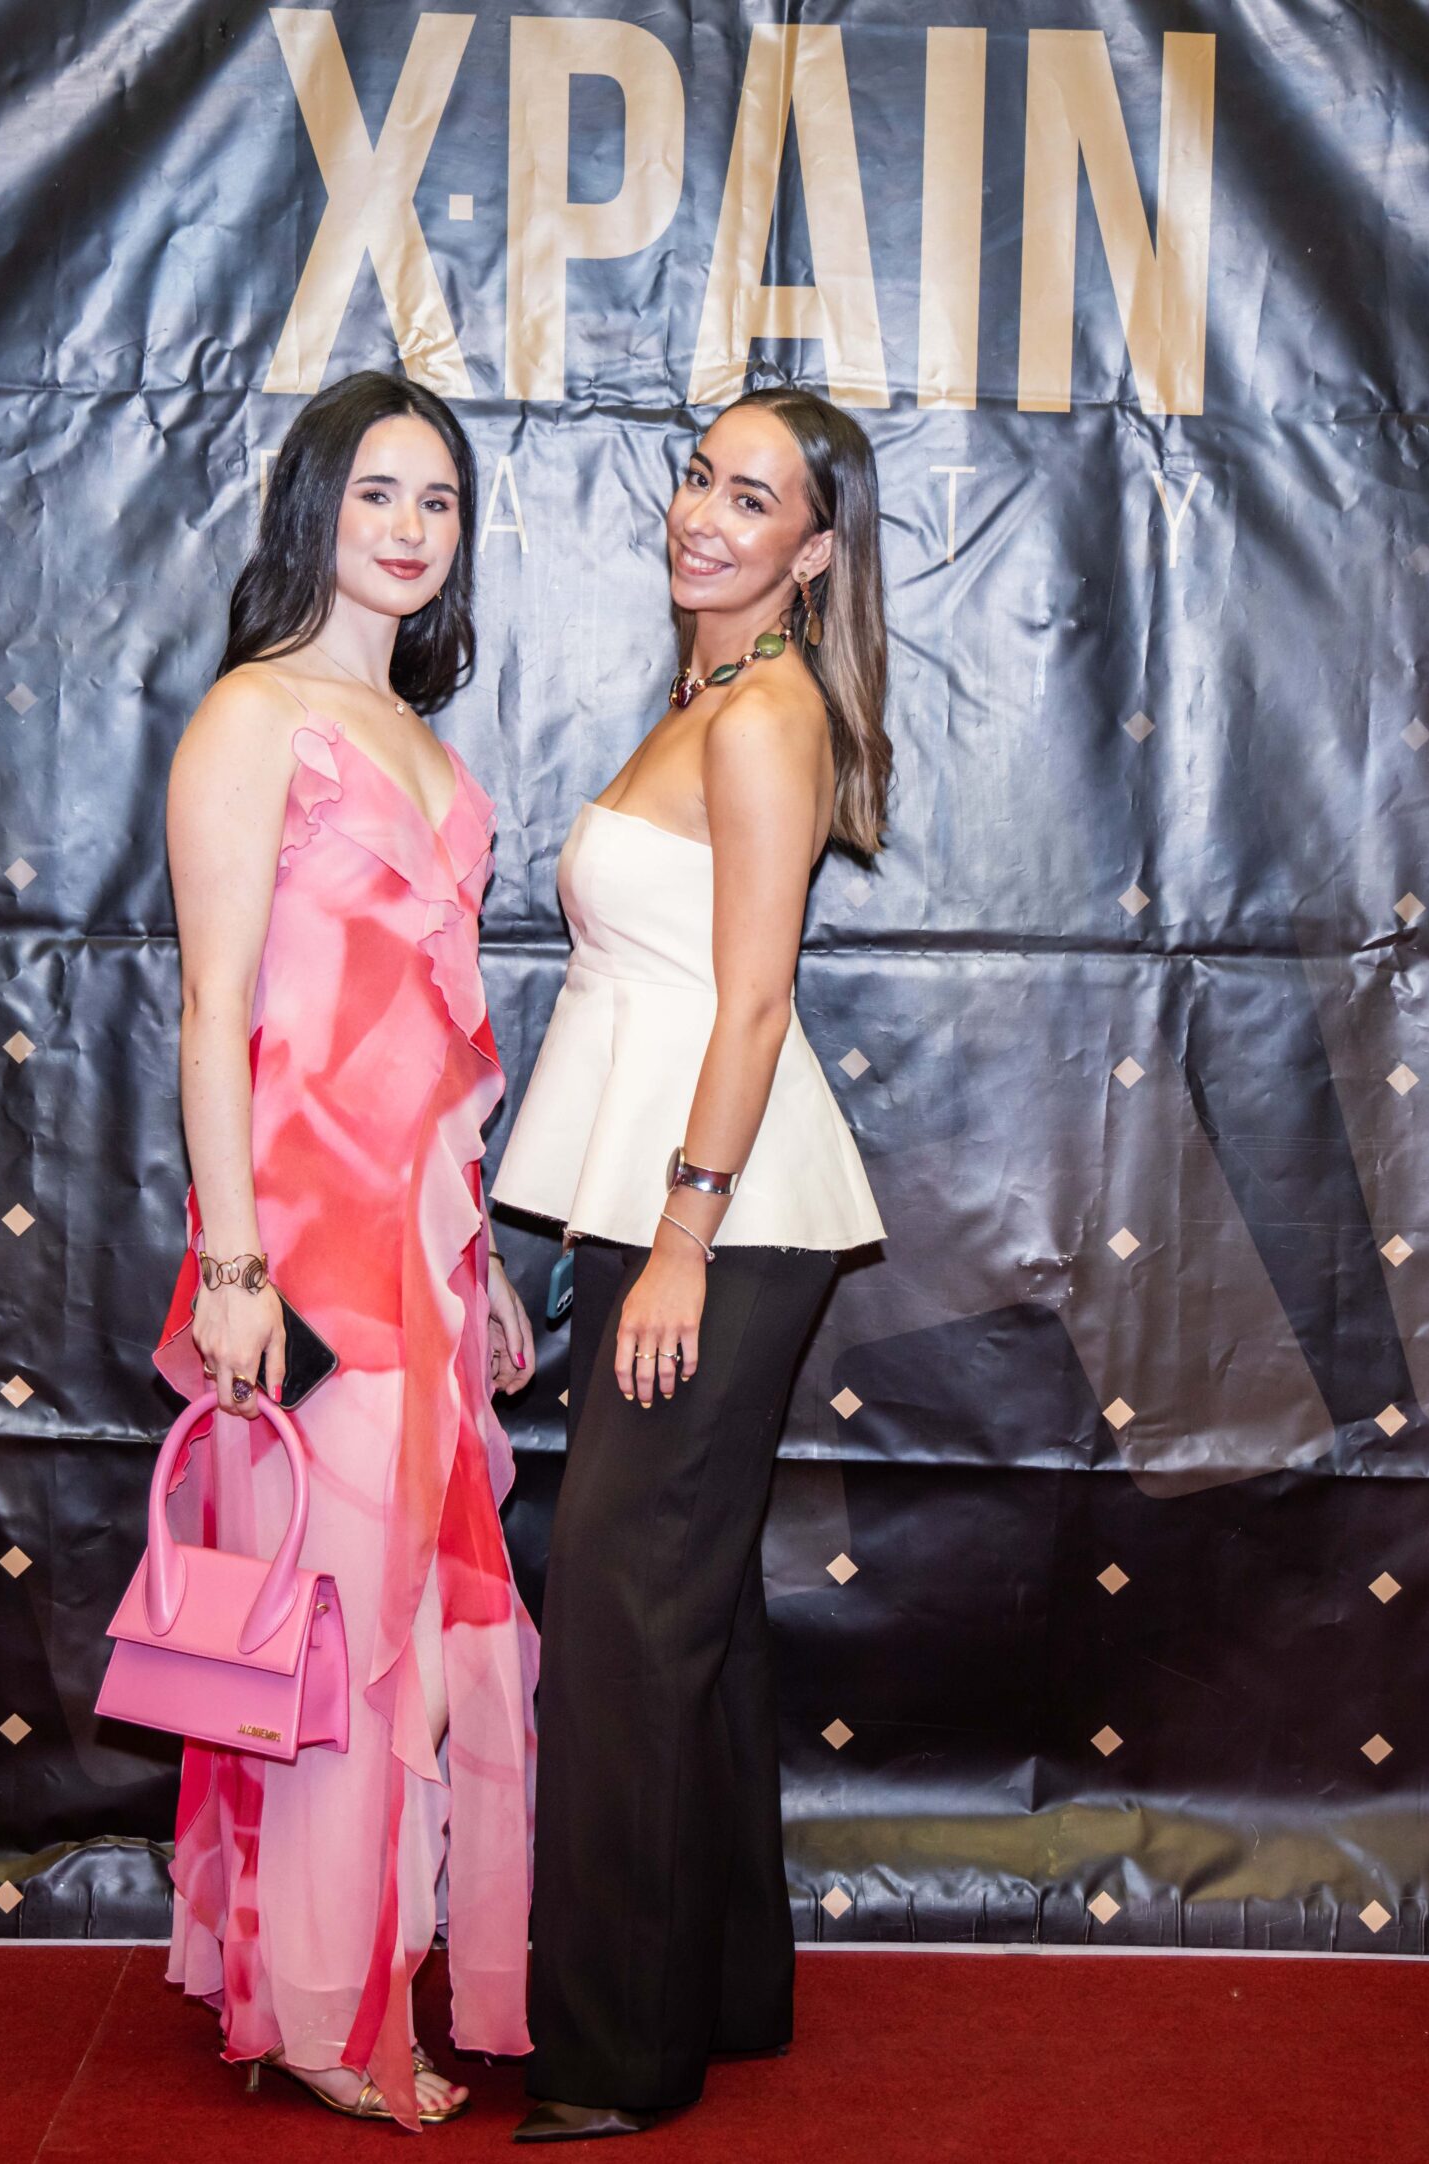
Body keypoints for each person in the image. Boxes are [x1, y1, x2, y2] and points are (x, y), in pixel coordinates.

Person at [490, 386, 892, 2139]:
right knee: (686, 1607)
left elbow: (752, 1006)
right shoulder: (710, 696)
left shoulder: (767, 713)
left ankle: (614, 2058)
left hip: (714, 1225)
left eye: (754, 499)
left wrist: (678, 1239)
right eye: (699, 478)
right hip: (663, 1210)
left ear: (814, 553)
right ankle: (723, 1991)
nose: (704, 515)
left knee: (622, 1625)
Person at [154, 368, 540, 2129]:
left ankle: (352, 1967)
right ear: (313, 507)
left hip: (426, 1254)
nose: (408, 527)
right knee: (337, 1636)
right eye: (377, 491)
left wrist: (486, 1259)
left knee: (422, 1642)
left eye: (436, 500)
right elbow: (213, 1006)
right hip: (304, 1256)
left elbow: (443, 1051)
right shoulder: (253, 719)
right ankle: (321, 2016)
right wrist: (236, 1267)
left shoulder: (430, 749)